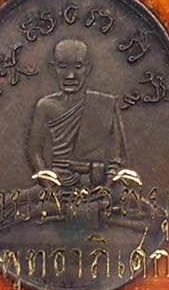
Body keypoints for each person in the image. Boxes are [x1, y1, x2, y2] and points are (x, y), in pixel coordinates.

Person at [28, 38, 127, 190]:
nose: (70, 76)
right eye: (63, 67)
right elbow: (34, 152)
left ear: (87, 69)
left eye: (78, 67)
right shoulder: (45, 106)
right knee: (11, 202)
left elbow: (117, 157)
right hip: (57, 181)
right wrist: (49, 186)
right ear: (53, 69)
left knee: (137, 203)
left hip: (97, 182)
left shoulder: (105, 104)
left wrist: (106, 187)